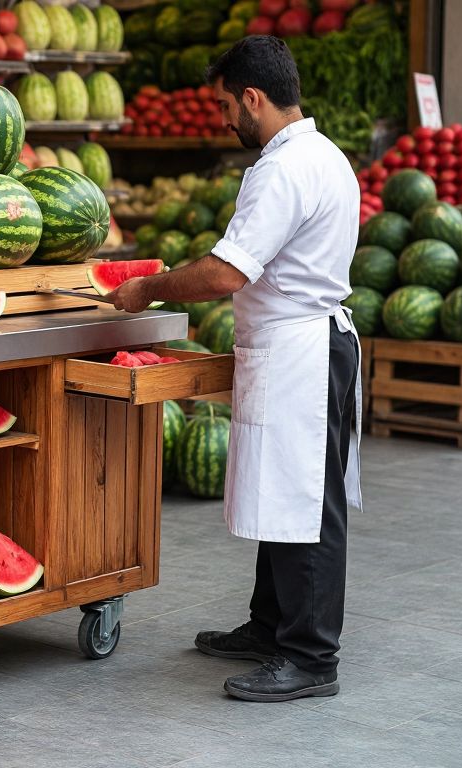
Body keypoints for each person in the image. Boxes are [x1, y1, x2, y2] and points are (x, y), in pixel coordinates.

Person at [105, 36, 363, 703]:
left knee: (307, 506)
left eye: (225, 105)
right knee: (289, 492)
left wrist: (148, 288)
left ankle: (310, 658)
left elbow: (226, 271)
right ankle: (270, 625)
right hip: (307, 341)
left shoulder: (282, 169)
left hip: (300, 350)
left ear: (253, 98)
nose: (223, 119)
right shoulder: (325, 154)